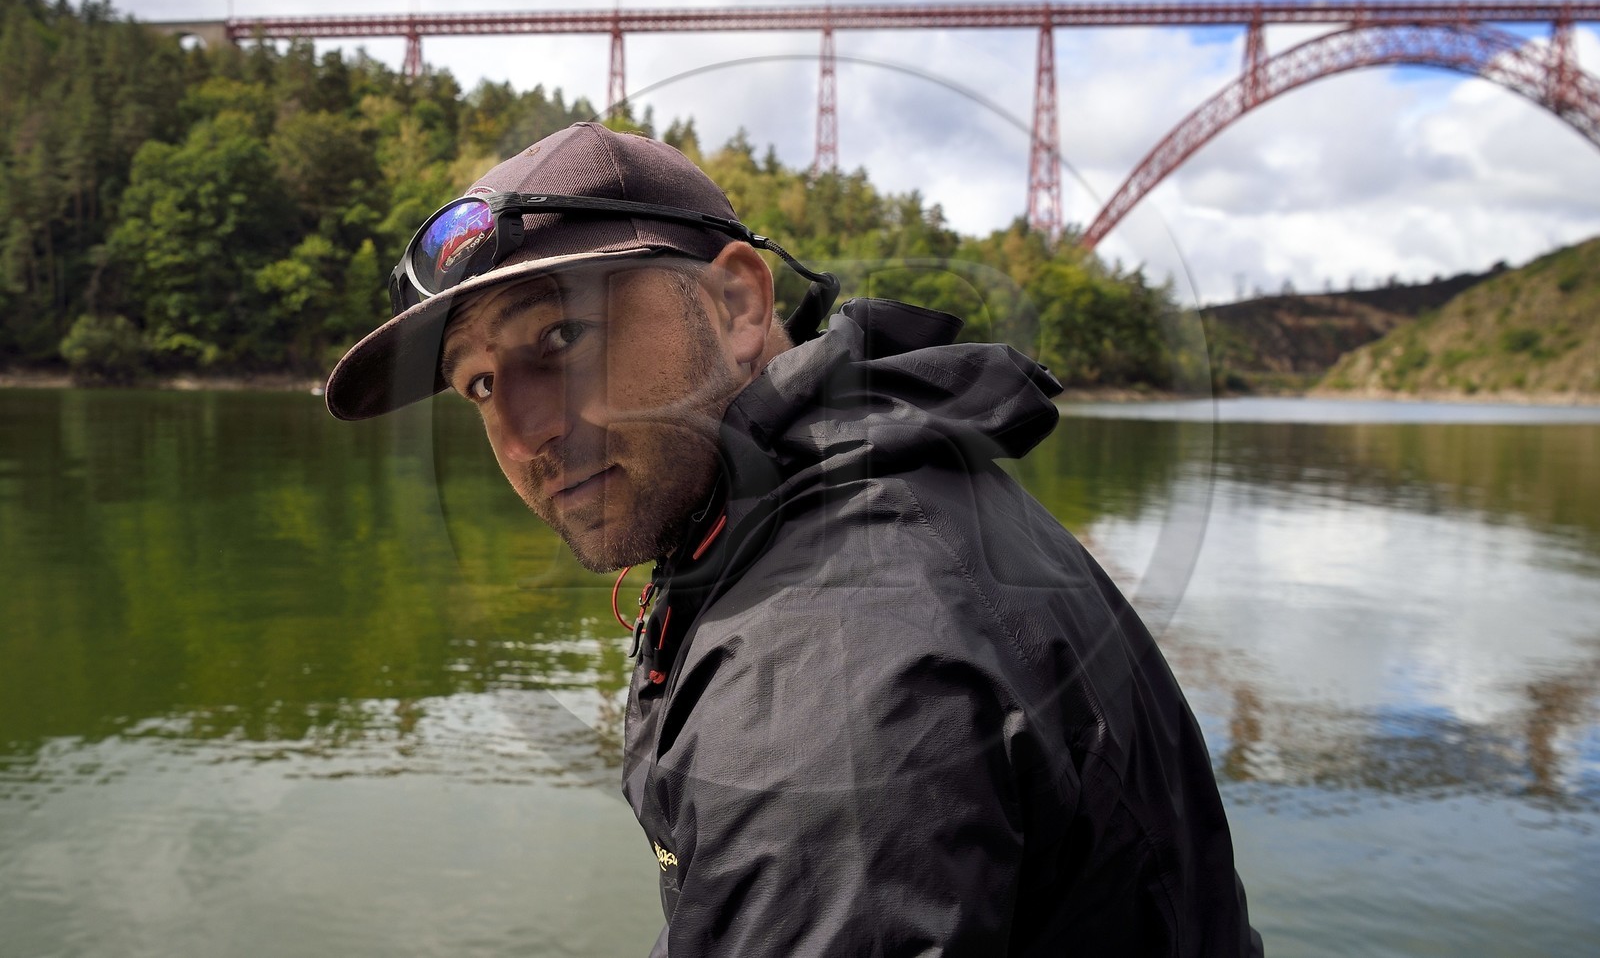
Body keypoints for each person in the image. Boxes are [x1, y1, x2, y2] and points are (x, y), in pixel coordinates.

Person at [326, 122, 1263, 956]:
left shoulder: (828, 674)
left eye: (563, 335)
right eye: (480, 385)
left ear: (736, 307)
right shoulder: (871, 487)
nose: (525, 432)